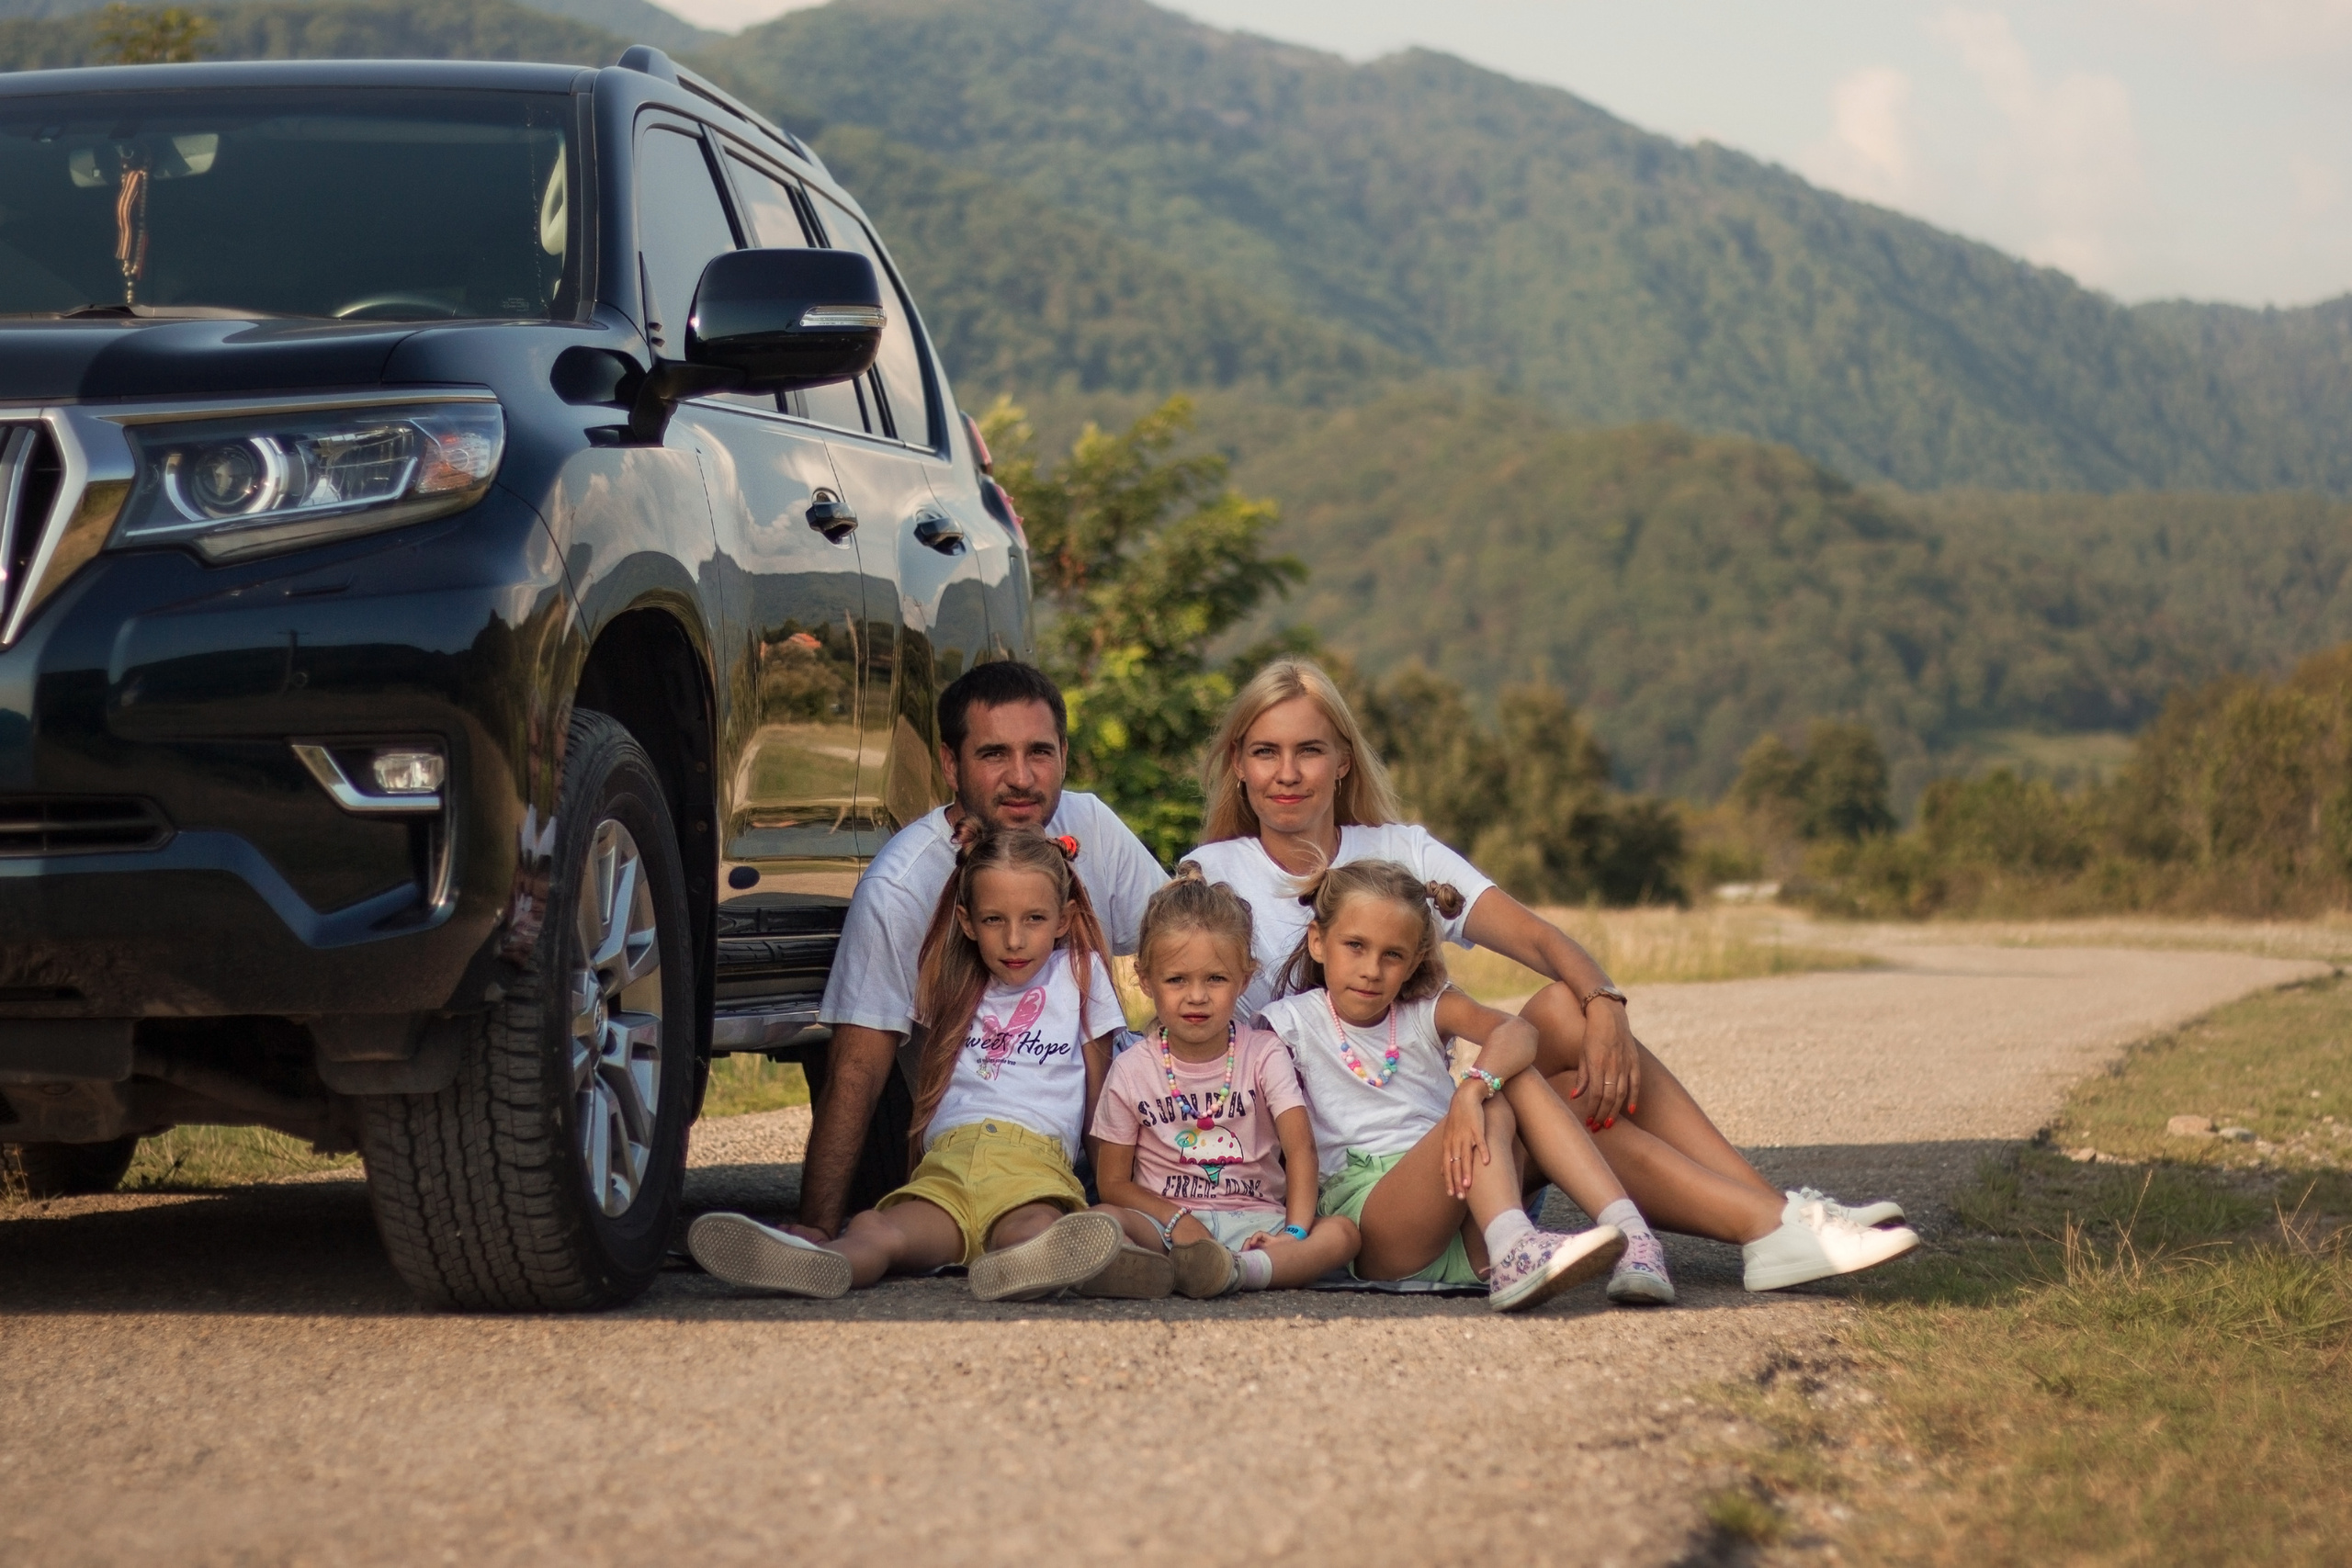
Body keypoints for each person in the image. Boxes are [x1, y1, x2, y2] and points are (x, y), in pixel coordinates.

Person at [1186, 659, 1918, 1292]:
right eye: (1265, 752)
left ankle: (1778, 1221)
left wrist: (1605, 1004)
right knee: (1558, 1093)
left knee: (1567, 1015)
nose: (1287, 773)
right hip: (1349, 1173)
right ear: (1239, 764)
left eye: (1309, 750)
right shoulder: (1214, 873)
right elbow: (1174, 999)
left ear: (1344, 758)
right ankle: (1772, 1224)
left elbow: (1535, 936)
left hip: (1455, 1148)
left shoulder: (1399, 850)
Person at [690, 827, 1171, 1301]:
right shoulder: (949, 982)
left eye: (1034, 919)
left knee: (1036, 1228)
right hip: (948, 1168)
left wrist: (1113, 1199)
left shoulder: (1079, 976)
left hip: (1033, 1170)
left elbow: (1100, 1104)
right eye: (993, 920)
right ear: (966, 921)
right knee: (879, 1229)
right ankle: (820, 1262)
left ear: (1064, 919)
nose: (1014, 940)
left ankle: (1036, 1264)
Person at [794, 661, 1167, 1243]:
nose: (1021, 777)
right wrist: (816, 1224)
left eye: (1039, 752)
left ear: (1064, 754)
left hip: (1104, 1147)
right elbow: (857, 1069)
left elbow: (1186, 947)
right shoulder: (902, 888)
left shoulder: (1089, 824)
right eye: (994, 754)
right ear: (950, 763)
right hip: (968, 1145)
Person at [1259, 860, 1672, 1309]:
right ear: (1319, 942)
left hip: (1464, 1206)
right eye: (1355, 946)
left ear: (1415, 959)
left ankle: (1629, 1239)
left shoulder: (1422, 1007)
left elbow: (1519, 1031)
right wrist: (1288, 1231)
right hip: (1376, 1220)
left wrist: (1472, 1088)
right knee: (1494, 1090)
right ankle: (1517, 1245)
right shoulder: (1290, 1024)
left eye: (1392, 955)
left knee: (1505, 1078)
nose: (1372, 970)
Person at [1090, 867, 1362, 1296]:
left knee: (1343, 1234)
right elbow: (1113, 1183)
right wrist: (1179, 1220)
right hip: (1165, 1225)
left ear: (1245, 978)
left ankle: (1240, 1271)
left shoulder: (1264, 1054)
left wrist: (1292, 1232)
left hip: (1257, 1227)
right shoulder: (1131, 1069)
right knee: (1105, 1217)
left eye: (1215, 979)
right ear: (1144, 979)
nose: (1196, 996)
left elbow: (1300, 1149)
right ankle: (1153, 1267)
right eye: (1177, 979)